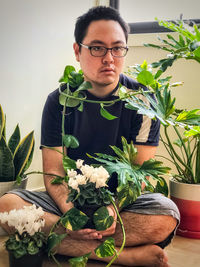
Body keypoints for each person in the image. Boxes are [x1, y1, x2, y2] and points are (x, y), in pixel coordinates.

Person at [0, 6, 180, 267]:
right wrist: (70, 213)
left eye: (117, 48)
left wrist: (111, 210)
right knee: (7, 206)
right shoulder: (59, 101)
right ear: (78, 51)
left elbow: (141, 174)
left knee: (167, 216)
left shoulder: (143, 102)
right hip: (69, 199)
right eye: (97, 48)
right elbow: (53, 171)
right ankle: (124, 255)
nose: (109, 58)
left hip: (121, 204)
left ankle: (64, 243)